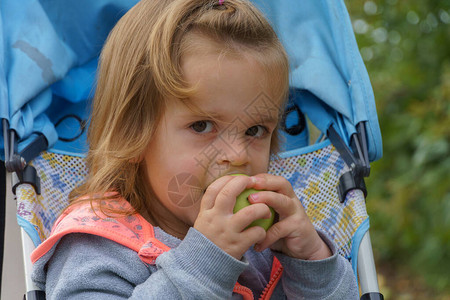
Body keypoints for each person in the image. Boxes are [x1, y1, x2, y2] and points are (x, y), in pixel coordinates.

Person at [31, 0, 358, 299]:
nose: (239, 155)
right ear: (130, 135)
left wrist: (312, 261)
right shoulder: (94, 244)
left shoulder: (268, 243)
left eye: (255, 130)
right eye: (202, 126)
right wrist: (204, 264)